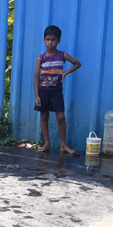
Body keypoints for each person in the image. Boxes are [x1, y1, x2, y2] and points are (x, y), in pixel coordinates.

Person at [34, 25, 81, 155]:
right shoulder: (41, 58)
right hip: (43, 91)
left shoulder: (62, 55)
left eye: (53, 40)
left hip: (56, 92)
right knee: (44, 116)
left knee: (60, 117)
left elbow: (78, 63)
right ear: (44, 40)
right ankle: (47, 143)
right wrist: (37, 95)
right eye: (48, 39)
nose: (50, 42)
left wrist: (65, 73)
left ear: (59, 41)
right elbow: (36, 77)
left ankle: (64, 145)